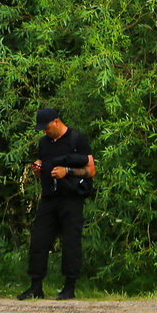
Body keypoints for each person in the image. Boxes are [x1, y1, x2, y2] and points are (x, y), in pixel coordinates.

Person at [18, 107, 96, 301]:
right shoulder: (44, 143)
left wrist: (67, 171)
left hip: (71, 198)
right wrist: (39, 170)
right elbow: (46, 164)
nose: (45, 131)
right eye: (42, 129)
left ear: (56, 121)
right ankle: (36, 286)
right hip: (49, 198)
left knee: (70, 242)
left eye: (46, 127)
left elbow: (91, 170)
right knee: (39, 240)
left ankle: (70, 287)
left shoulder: (76, 139)